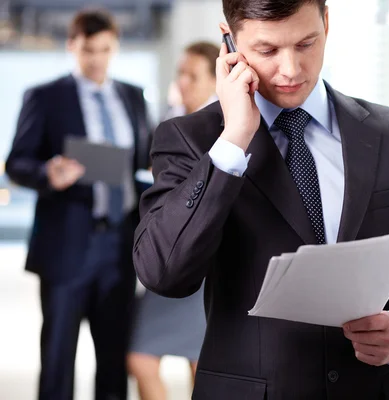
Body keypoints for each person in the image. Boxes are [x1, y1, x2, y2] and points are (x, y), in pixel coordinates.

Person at [132, 1, 389, 399]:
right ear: (230, 40)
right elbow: (163, 273)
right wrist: (233, 141)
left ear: (326, 23)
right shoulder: (191, 141)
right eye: (267, 50)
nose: (290, 69)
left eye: (306, 43)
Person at [6, 9, 152, 400]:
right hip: (66, 244)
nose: (97, 59)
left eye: (105, 49)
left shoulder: (132, 97)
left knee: (113, 357)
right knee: (57, 358)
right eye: (88, 50)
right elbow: (17, 162)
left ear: (115, 47)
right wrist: (47, 173)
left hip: (119, 245)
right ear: (72, 46)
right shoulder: (45, 97)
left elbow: (145, 160)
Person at [127, 41, 219, 400]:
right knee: (142, 357)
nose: (182, 81)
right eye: (180, 73)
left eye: (192, 75)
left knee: (200, 363)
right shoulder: (175, 123)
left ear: (215, 80)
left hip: (204, 260)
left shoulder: (224, 126)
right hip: (169, 254)